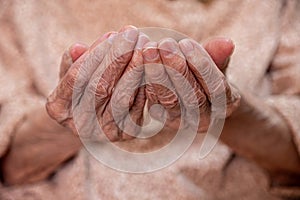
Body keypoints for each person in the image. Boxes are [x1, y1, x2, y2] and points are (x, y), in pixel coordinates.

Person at [0, 0, 300, 199]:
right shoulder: (23, 7)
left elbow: (293, 162)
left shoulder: (274, 6)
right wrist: (74, 120)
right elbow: (12, 167)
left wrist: (227, 113)